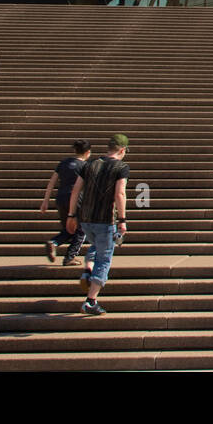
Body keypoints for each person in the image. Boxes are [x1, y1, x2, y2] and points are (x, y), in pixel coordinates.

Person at [67, 133, 131, 316]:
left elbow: (76, 190)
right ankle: (91, 300)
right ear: (122, 150)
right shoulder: (121, 167)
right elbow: (120, 194)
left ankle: (88, 270)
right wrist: (122, 220)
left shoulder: (89, 164)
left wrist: (71, 215)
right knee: (104, 258)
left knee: (96, 247)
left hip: (85, 219)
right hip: (105, 219)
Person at [40, 140, 91, 264]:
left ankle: (54, 243)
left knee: (69, 228)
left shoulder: (63, 163)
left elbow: (52, 182)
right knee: (81, 229)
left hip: (61, 198)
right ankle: (70, 256)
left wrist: (46, 200)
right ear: (88, 152)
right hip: (77, 199)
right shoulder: (85, 166)